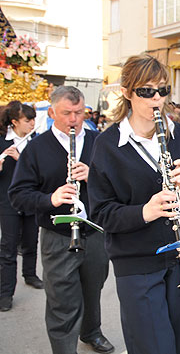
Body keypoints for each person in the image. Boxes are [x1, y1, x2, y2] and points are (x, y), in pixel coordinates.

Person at [88, 54, 180, 354]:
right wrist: (145, 211)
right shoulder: (106, 145)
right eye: (147, 91)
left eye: (163, 90)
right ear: (128, 92)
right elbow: (101, 213)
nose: (157, 98)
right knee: (152, 347)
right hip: (137, 262)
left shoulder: (179, 133)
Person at [8, 86, 113, 354]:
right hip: (57, 235)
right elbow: (18, 195)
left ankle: (91, 331)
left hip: (95, 231)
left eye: (79, 112)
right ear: (53, 112)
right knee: (61, 298)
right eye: (67, 113)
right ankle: (64, 349)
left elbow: (119, 185)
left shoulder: (98, 141)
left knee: (93, 288)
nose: (74, 120)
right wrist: (50, 199)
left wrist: (95, 177)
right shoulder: (37, 148)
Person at [0, 101, 40, 313]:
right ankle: (6, 293)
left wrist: (21, 158)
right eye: (28, 120)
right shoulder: (2, 141)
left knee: (31, 241)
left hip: (31, 199)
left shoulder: (35, 142)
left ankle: (30, 274)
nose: (32, 123)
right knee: (8, 248)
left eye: (33, 119)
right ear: (14, 122)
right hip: (7, 201)